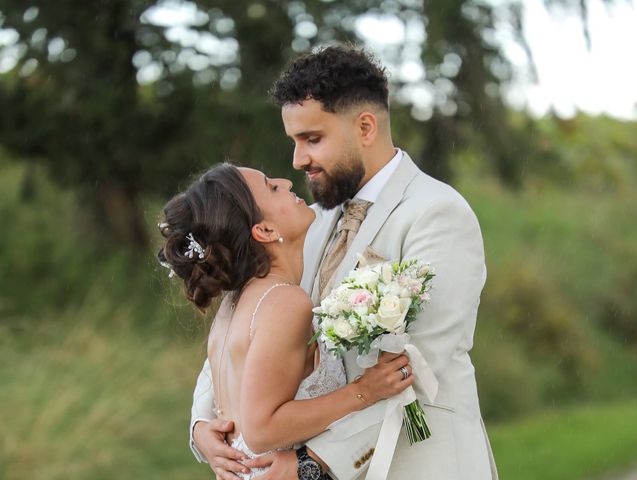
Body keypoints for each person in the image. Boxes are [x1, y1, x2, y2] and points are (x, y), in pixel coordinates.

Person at [191, 45, 499, 479]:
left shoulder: (437, 213)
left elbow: (422, 366)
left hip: (420, 463)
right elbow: (247, 329)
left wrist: (311, 463)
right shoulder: (307, 222)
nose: (298, 160)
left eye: (312, 139)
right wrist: (205, 423)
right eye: (294, 141)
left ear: (366, 127)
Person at [158, 163, 414, 480]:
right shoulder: (283, 302)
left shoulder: (236, 302)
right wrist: (363, 391)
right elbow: (261, 430)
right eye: (271, 187)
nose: (284, 181)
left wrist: (200, 427)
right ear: (265, 231)